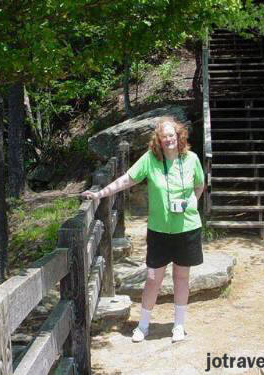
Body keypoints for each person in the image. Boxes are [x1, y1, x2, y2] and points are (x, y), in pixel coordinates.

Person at [81, 116, 205, 343]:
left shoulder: (191, 159)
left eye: (172, 135)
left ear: (179, 137)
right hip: (159, 230)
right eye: (164, 136)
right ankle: (143, 325)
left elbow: (199, 184)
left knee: (181, 277)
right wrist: (100, 194)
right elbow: (127, 180)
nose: (169, 140)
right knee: (152, 278)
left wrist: (192, 203)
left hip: (187, 228)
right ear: (158, 139)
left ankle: (178, 325)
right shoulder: (150, 160)